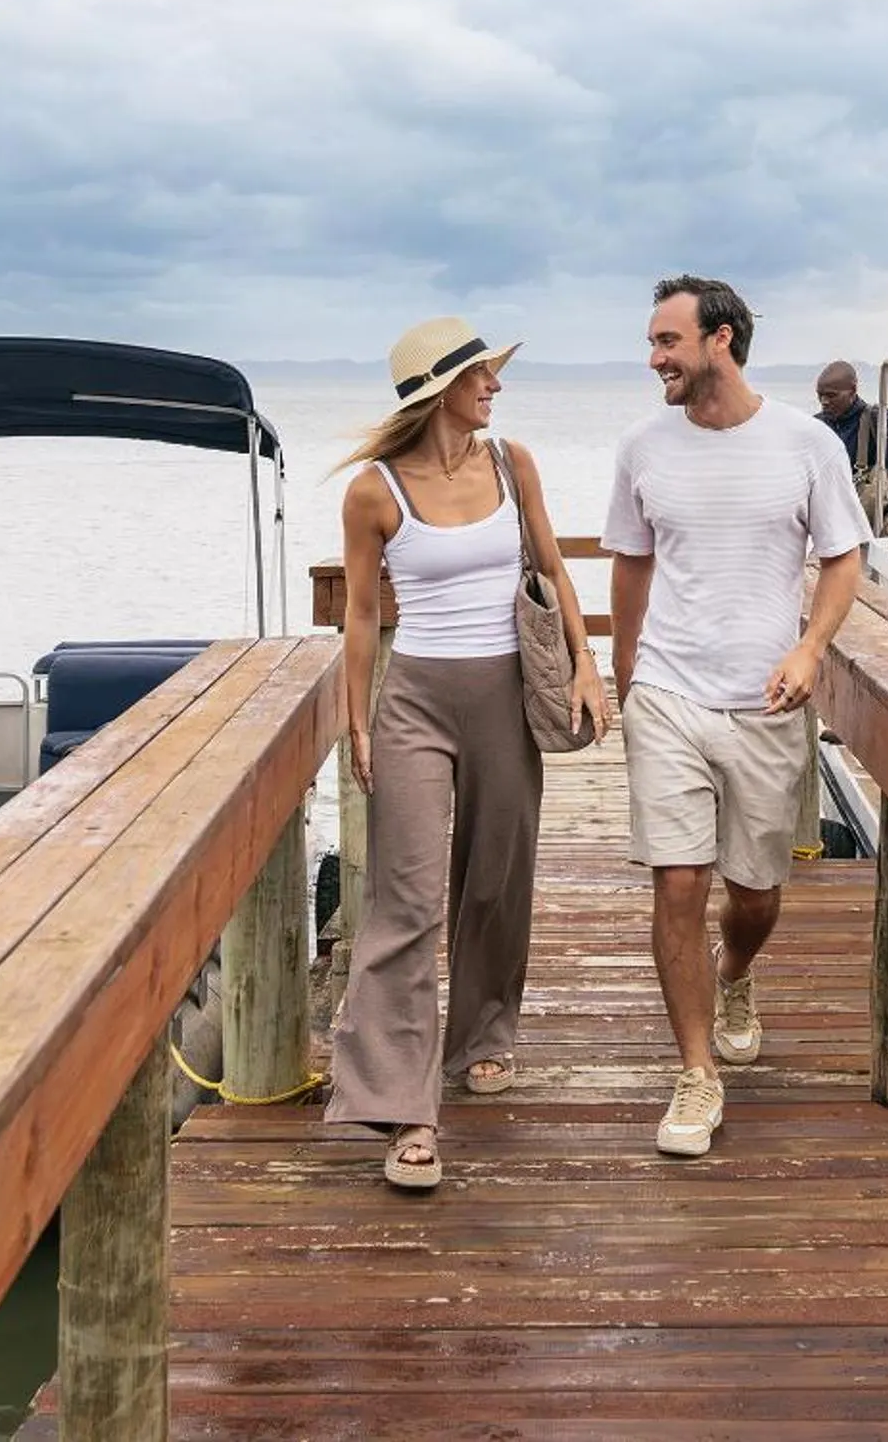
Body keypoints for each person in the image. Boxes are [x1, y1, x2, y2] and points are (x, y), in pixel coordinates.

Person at [325, 316, 607, 1191]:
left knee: (494, 874)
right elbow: (363, 612)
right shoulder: (372, 492)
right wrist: (357, 719)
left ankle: (486, 1033)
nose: (495, 386)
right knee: (404, 898)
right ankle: (405, 1109)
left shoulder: (511, 464)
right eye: (482, 375)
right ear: (438, 391)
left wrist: (587, 668)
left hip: (505, 695)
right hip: (414, 700)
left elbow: (553, 569)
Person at [604, 275, 868, 1158]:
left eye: (667, 342)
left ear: (720, 340)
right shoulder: (643, 446)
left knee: (753, 893)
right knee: (677, 879)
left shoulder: (804, 444)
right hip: (671, 695)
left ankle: (737, 974)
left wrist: (809, 649)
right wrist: (626, 672)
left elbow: (841, 559)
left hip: (765, 698)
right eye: (651, 342)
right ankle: (694, 1073)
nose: (654, 359)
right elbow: (631, 564)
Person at [813, 361, 888, 521]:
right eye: (820, 395)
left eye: (831, 395)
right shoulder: (816, 424)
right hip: (830, 519)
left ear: (853, 391)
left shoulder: (879, 419)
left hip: (870, 522)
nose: (824, 401)